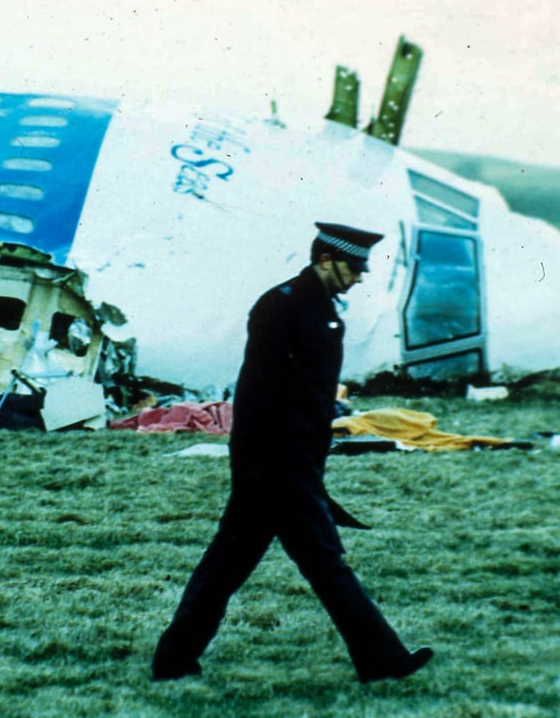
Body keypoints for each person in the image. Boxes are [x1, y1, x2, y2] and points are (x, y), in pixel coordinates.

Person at [151, 221, 433, 684]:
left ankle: (173, 660)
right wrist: (283, 468)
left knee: (228, 565)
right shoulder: (283, 307)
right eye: (355, 266)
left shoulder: (316, 308)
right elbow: (261, 395)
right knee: (324, 562)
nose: (361, 276)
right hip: (277, 464)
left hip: (287, 462)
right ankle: (382, 660)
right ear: (326, 261)